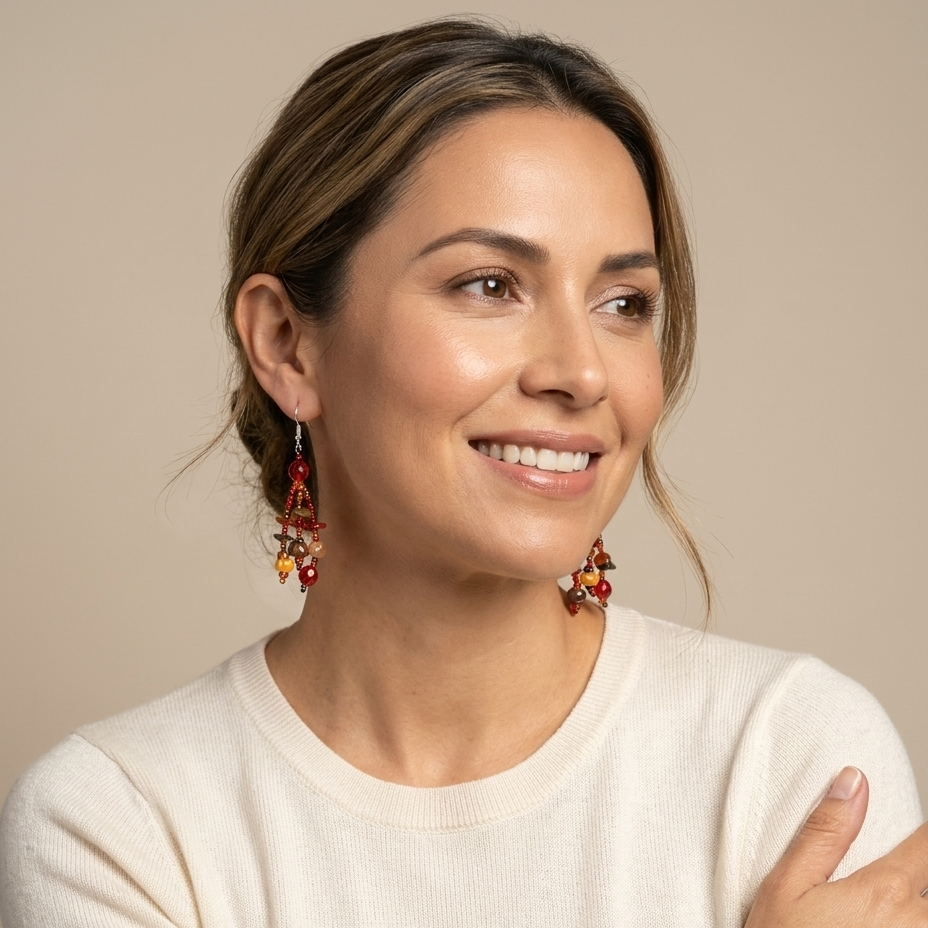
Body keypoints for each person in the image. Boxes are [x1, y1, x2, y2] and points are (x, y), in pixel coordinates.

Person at [0, 17, 925, 927]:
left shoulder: (792, 756)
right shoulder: (121, 822)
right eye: (490, 285)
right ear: (287, 344)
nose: (581, 371)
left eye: (624, 302)